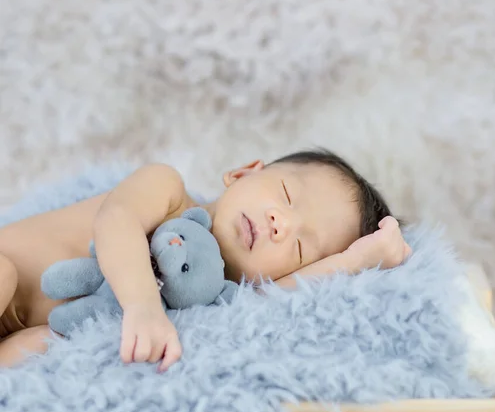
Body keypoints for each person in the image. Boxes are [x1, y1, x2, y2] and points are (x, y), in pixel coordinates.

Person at [0, 149, 411, 369]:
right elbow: (116, 222)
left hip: (15, 329)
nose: (279, 223)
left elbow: (286, 296)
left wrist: (358, 259)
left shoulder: (214, 299)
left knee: (39, 348)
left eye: (301, 247)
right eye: (286, 194)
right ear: (244, 172)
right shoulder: (168, 190)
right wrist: (144, 307)